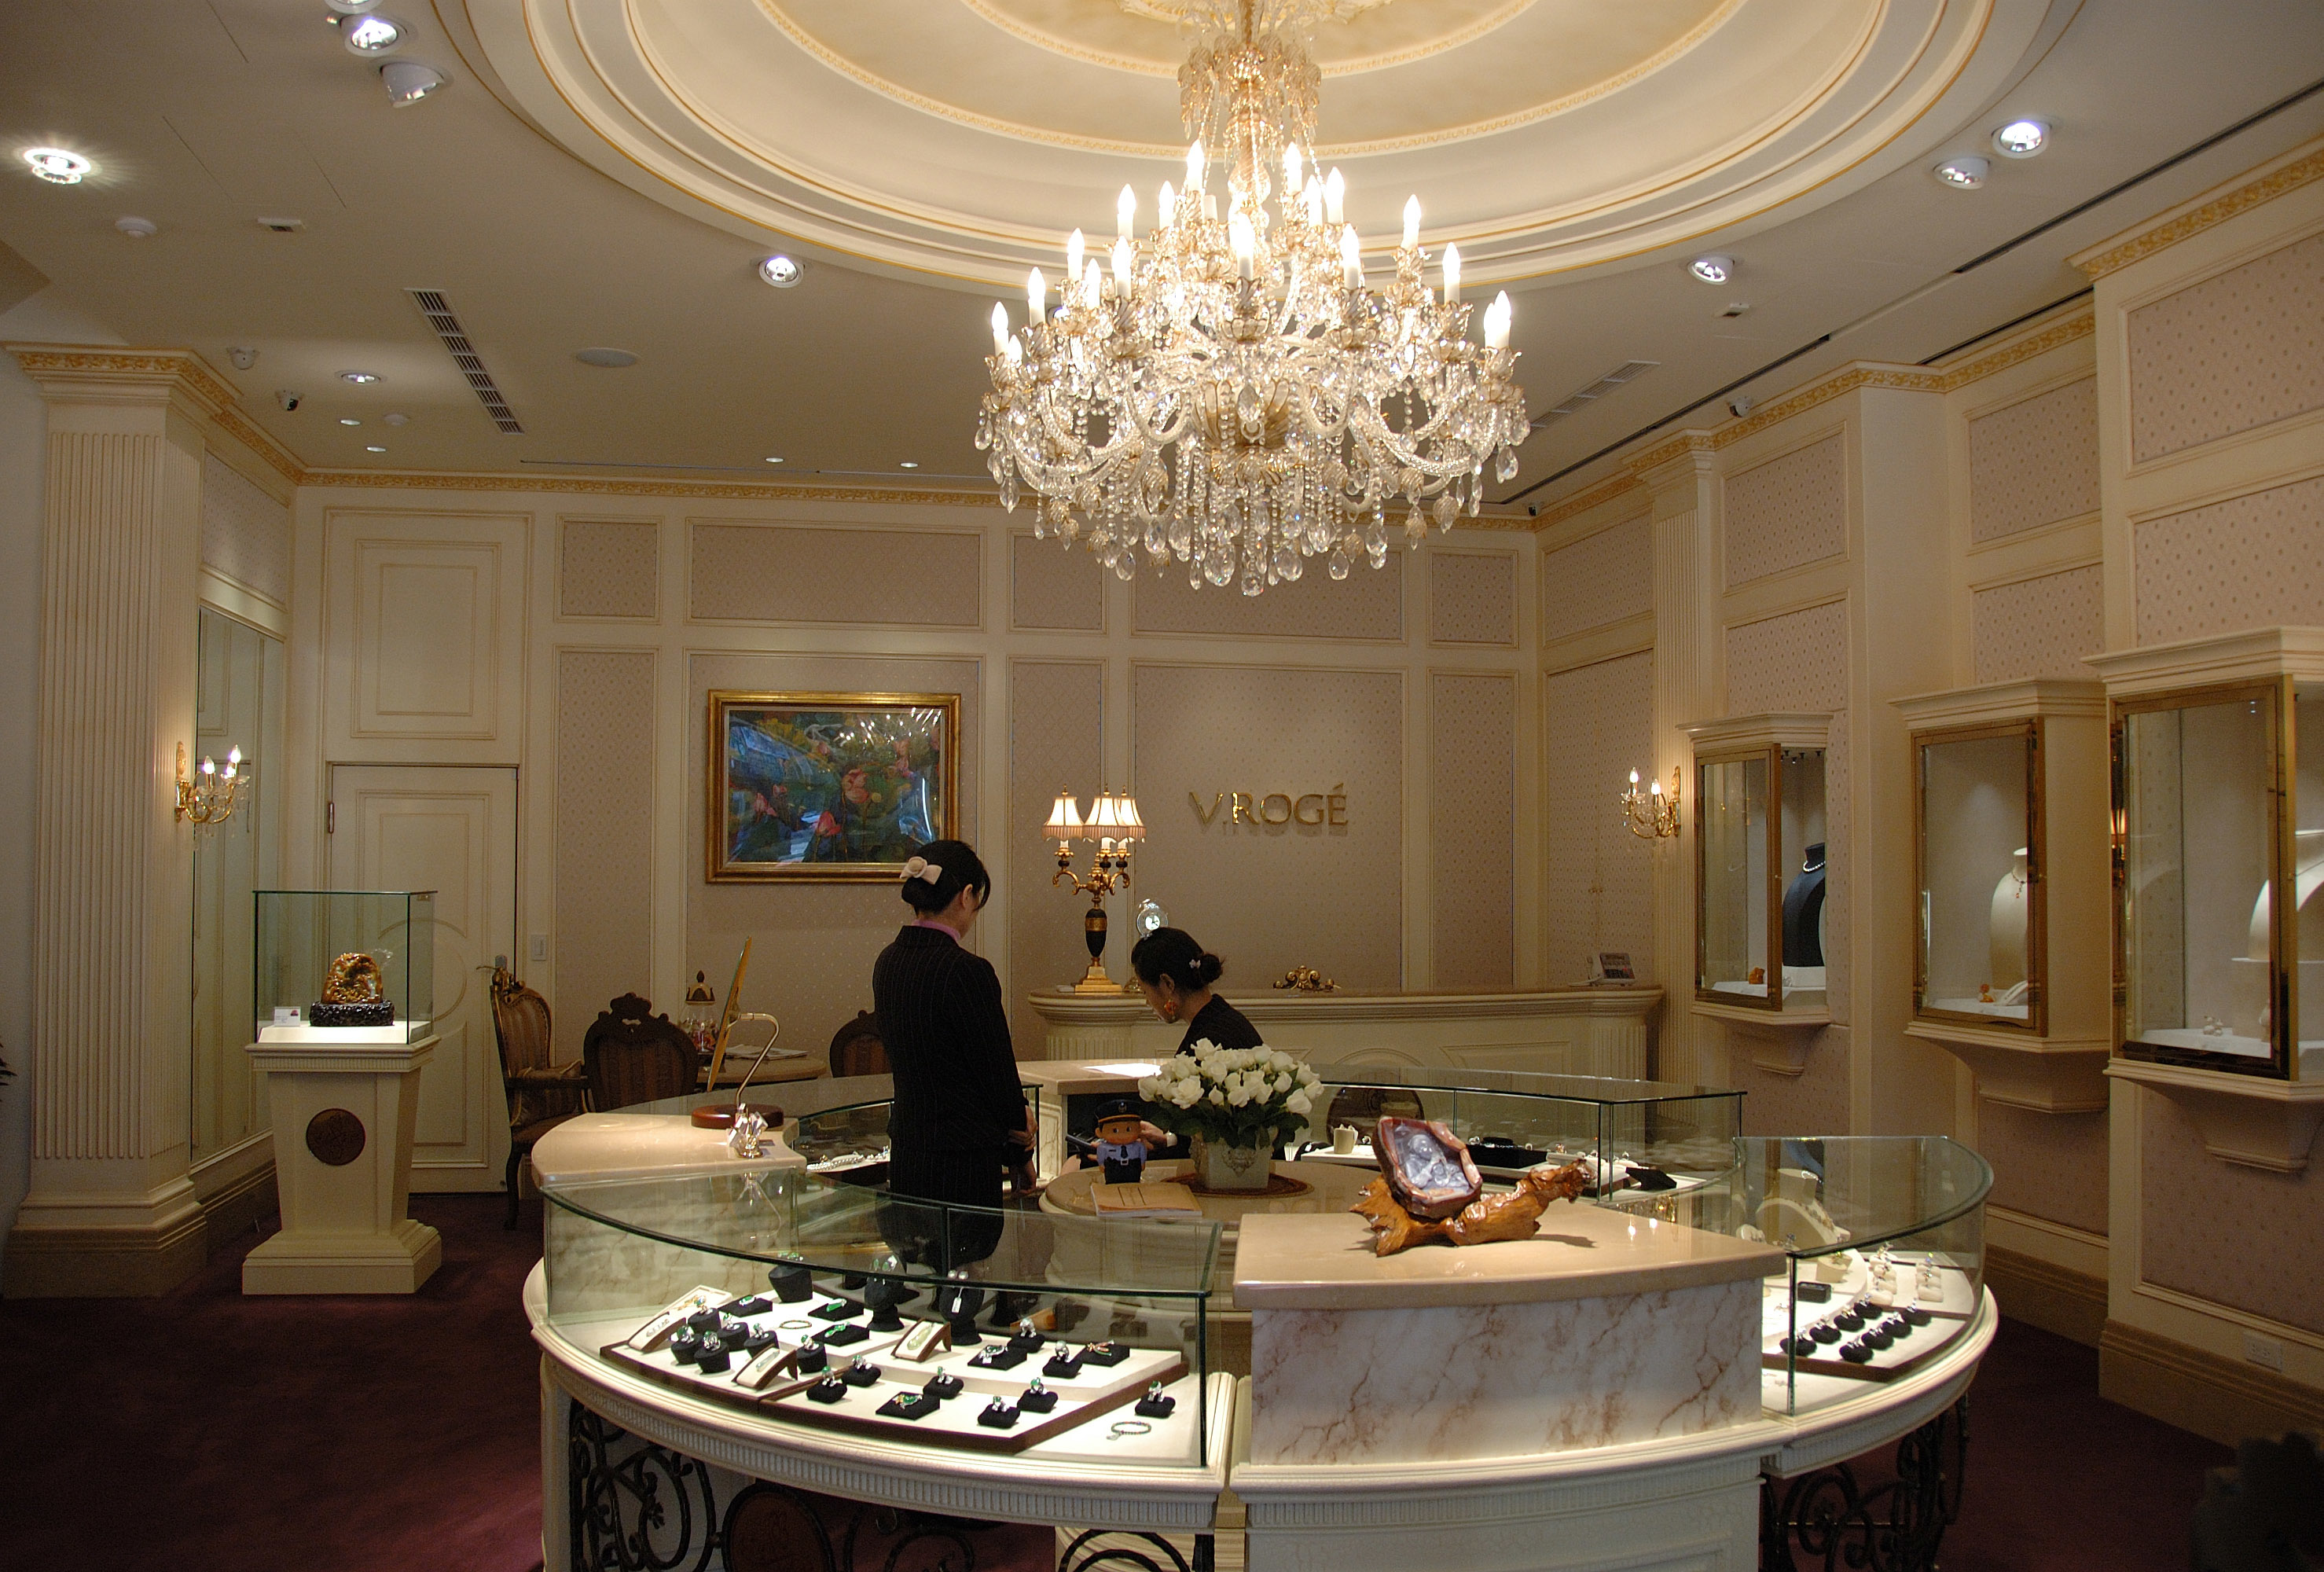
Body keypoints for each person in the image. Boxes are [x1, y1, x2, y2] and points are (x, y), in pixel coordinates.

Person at [870, 840, 1036, 1267]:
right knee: (963, 1276)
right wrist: (1020, 1155)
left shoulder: (887, 962)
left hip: (908, 1154)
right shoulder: (967, 971)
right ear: (966, 896)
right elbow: (997, 1076)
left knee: (920, 1273)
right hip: (961, 1165)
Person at [1129, 927, 1263, 1056]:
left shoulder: (1208, 1045)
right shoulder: (1224, 1018)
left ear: (1168, 984)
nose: (1147, 1002)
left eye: (1145, 992)